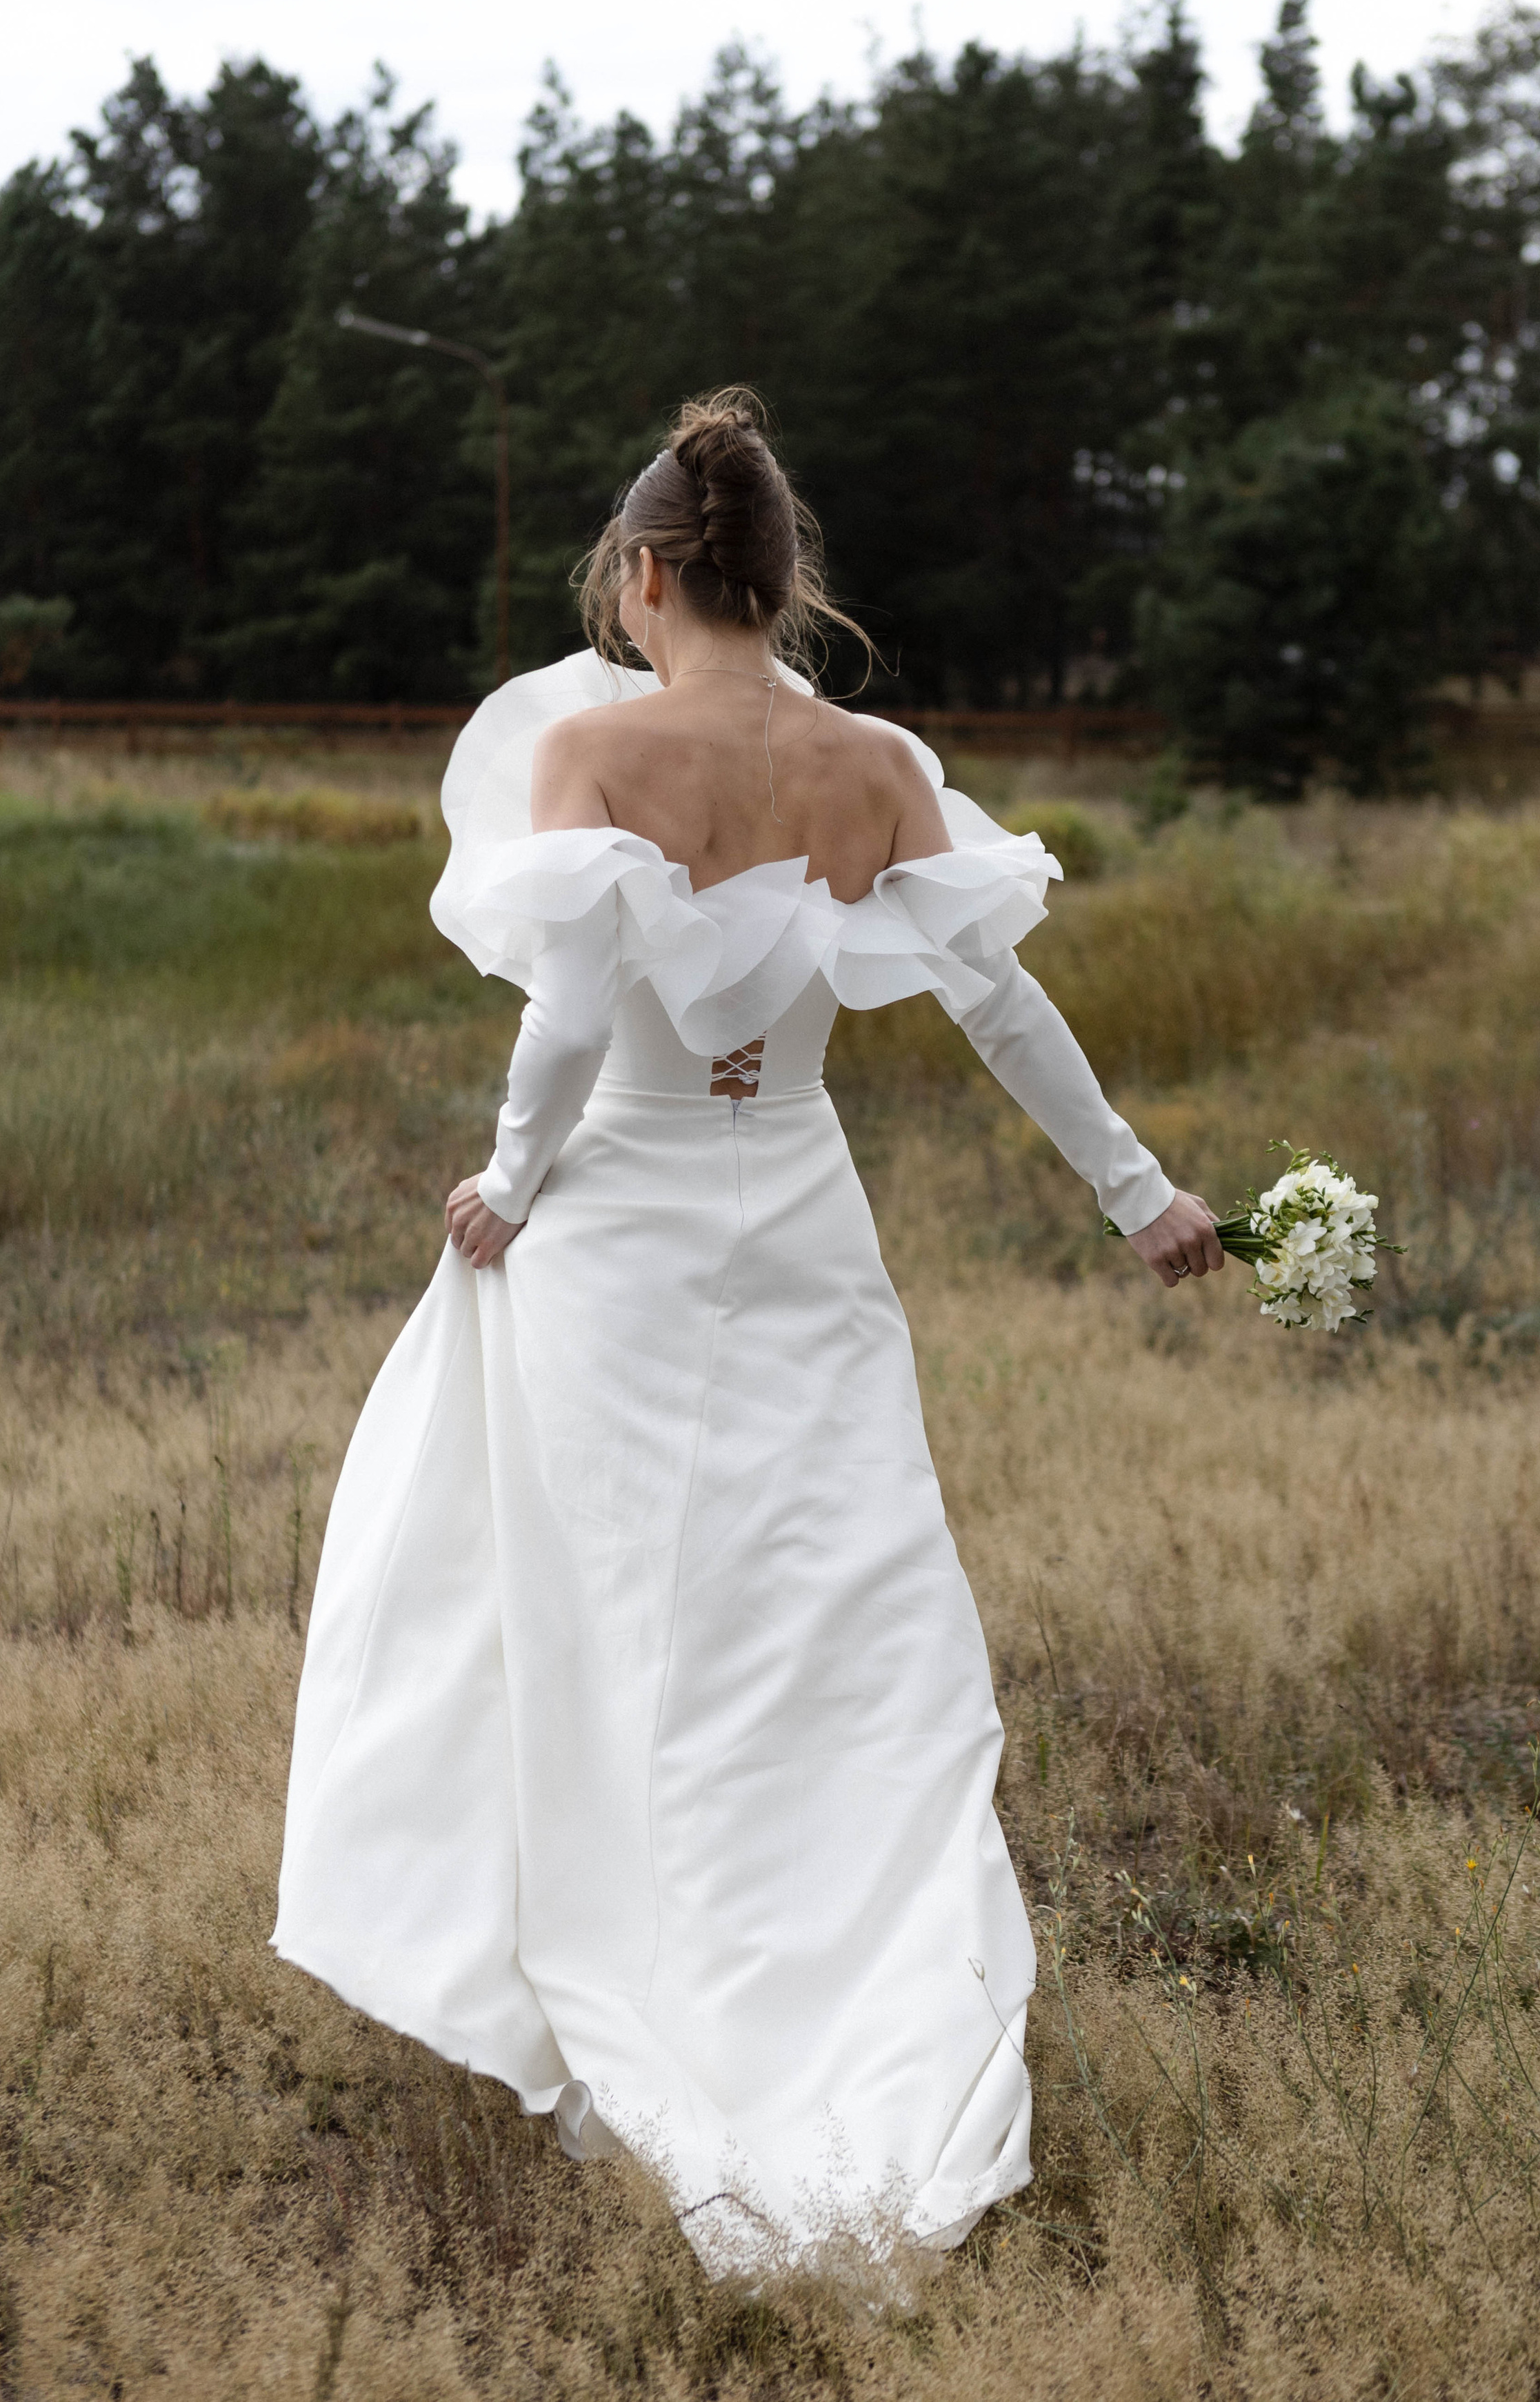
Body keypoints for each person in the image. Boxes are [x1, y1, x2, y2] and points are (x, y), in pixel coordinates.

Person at [272, 392, 1222, 2276]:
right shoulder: (877, 766)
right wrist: (1141, 1194)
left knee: (607, 1611)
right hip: (794, 1202)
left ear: (644, 577)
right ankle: (841, 1982)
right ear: (783, 584)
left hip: (619, 1220)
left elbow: (567, 1016)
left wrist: (510, 1183)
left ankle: (633, 1973)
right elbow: (1003, 1008)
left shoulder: (590, 749)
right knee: (829, 1603)